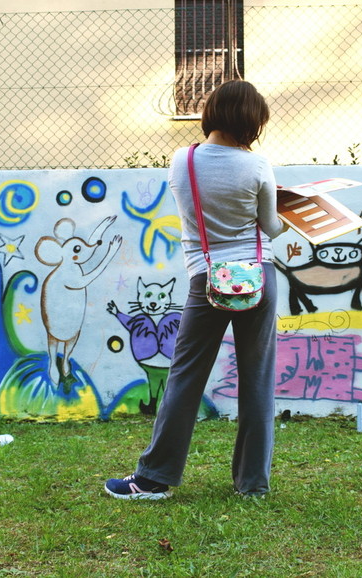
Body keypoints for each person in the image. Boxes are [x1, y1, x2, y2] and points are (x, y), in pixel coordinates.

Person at [105, 79, 288, 499]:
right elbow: (270, 227)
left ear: (212, 114)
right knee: (257, 380)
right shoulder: (258, 167)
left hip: (207, 277)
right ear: (250, 122)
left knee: (184, 377)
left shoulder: (181, 160)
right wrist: (287, 211)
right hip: (257, 276)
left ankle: (154, 479)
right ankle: (252, 484)